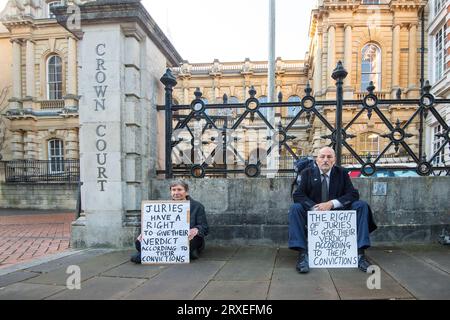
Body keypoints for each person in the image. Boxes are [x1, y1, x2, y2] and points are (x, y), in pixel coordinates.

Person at [288, 146, 377, 273]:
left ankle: (360, 254)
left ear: (334, 160)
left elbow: (353, 194)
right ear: (317, 160)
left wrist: (331, 204)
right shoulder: (307, 173)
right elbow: (298, 195)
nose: (325, 160)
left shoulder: (342, 173)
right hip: (314, 213)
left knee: (361, 205)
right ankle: (303, 254)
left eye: (329, 157)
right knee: (295, 208)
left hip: (337, 213)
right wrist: (315, 207)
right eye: (322, 157)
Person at [131, 180, 209, 264]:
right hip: (169, 239)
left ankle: (147, 255)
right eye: (173, 190)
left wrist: (196, 230)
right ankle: (185, 254)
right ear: (170, 192)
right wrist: (146, 234)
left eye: (179, 189)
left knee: (187, 242)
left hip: (189, 238)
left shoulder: (197, 206)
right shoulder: (165, 206)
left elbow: (204, 228)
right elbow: (157, 225)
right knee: (139, 243)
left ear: (186, 192)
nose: (176, 192)